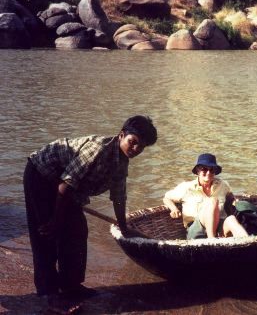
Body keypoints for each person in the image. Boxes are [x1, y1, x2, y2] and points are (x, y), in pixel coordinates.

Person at [23, 115, 157, 314]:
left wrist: (123, 225)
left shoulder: (121, 162)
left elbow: (119, 196)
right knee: (47, 234)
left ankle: (71, 286)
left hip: (64, 186)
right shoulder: (98, 150)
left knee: (78, 231)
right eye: (133, 142)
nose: (135, 149)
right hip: (41, 175)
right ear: (121, 135)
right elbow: (64, 186)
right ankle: (49, 294)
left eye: (141, 147)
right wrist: (56, 219)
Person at [163, 153, 248, 239]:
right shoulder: (186, 187)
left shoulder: (223, 185)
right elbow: (167, 198)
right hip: (197, 230)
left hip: (219, 227)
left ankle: (248, 242)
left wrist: (234, 200)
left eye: (212, 170)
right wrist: (174, 209)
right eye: (204, 169)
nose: (208, 173)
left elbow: (230, 195)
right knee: (213, 201)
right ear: (197, 171)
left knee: (231, 219)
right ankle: (211, 241)